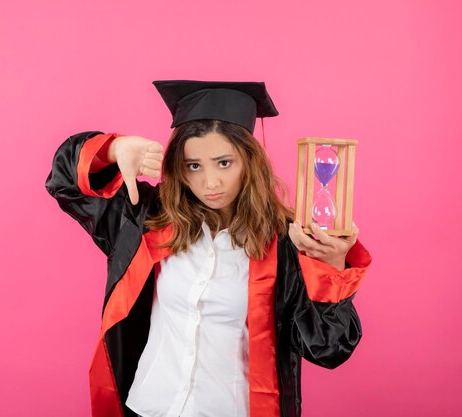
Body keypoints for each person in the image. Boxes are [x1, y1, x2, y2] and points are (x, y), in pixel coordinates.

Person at [45, 80, 371, 417]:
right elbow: (63, 181)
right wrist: (115, 149)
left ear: (250, 161)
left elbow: (329, 349)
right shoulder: (147, 219)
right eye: (193, 166)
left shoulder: (286, 242)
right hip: (148, 407)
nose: (210, 183)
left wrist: (332, 267)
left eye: (224, 163)